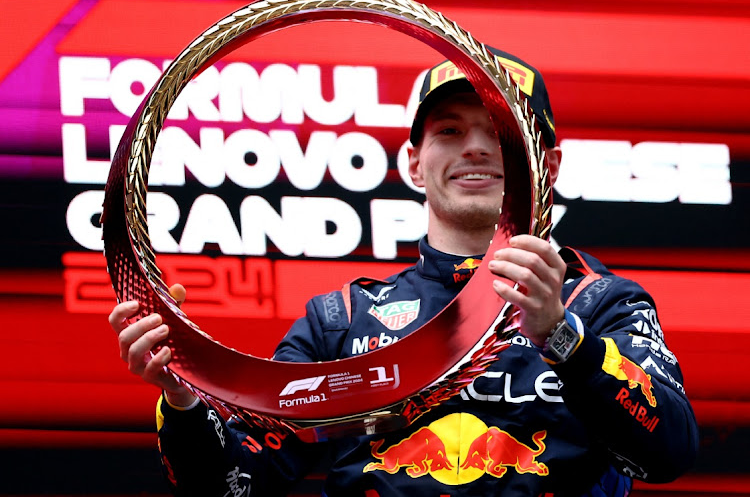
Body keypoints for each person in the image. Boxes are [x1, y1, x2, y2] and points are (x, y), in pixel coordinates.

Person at [110, 46, 699, 496]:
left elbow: (668, 454)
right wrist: (186, 401)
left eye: (503, 133)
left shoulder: (602, 304)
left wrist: (561, 335)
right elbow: (236, 485)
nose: (477, 148)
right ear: (415, 162)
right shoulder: (340, 321)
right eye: (450, 130)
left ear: (549, 162)